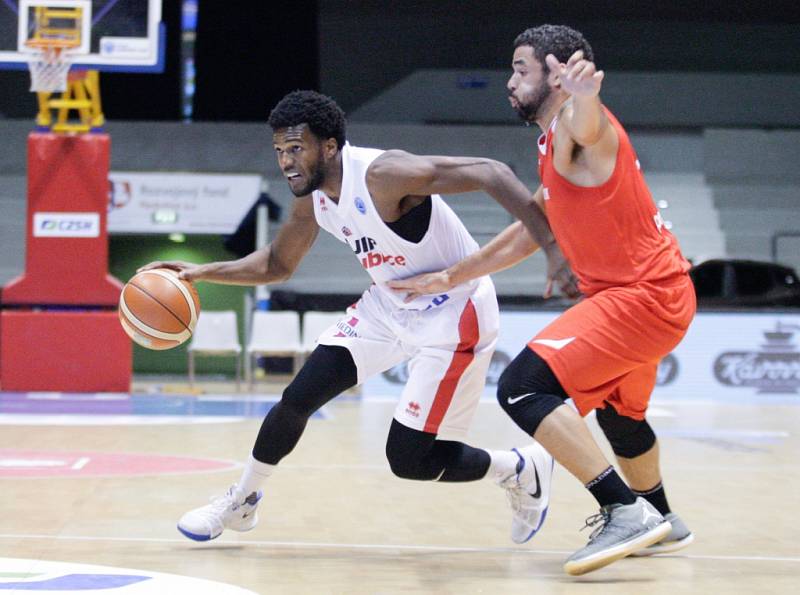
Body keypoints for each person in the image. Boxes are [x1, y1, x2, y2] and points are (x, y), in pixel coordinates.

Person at [139, 90, 580, 546]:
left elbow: (493, 172)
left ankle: (520, 467)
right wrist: (199, 273)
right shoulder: (313, 198)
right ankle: (243, 499)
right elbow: (277, 264)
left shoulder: (384, 175)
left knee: (410, 459)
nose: (286, 161)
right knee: (298, 397)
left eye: (296, 148)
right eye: (279, 151)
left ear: (329, 146)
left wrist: (551, 248)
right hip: (387, 306)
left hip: (452, 312)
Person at [389, 25, 696, 576]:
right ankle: (663, 517)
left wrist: (585, 96)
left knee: (524, 387)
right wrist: (450, 277)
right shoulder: (554, 144)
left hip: (640, 298)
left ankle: (623, 510)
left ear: (558, 74)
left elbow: (589, 123)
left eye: (521, 69)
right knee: (622, 418)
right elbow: (529, 231)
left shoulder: (581, 130)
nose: (510, 82)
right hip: (655, 295)